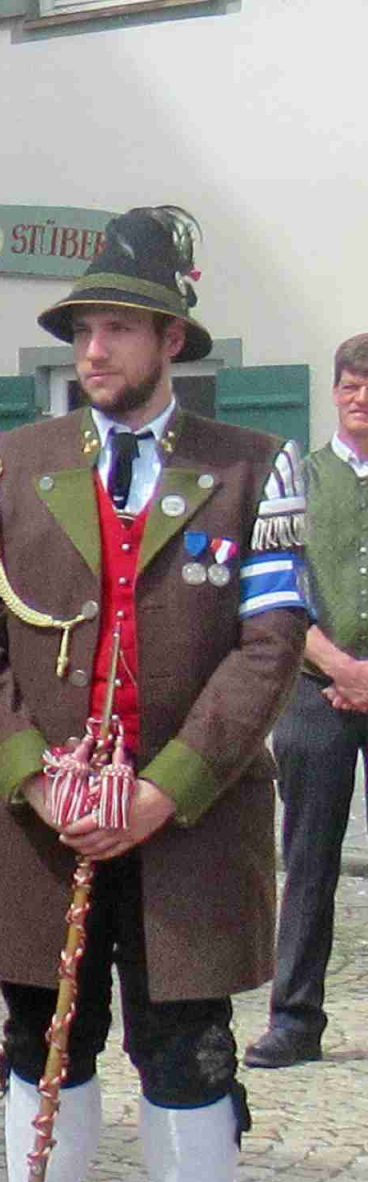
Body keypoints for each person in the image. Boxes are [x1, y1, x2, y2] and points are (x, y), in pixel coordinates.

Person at [0, 207, 308, 1182]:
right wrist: (34, 777)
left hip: (189, 824)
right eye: (81, 331)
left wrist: (163, 791)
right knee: (39, 1044)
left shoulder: (253, 468)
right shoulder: (8, 465)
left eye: (115, 330)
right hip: (34, 825)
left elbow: (268, 647)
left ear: (169, 339)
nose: (91, 351)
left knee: (190, 1051)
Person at [246, 333, 368, 1069]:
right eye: (350, 385)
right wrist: (340, 667)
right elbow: (280, 587)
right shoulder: (299, 480)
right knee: (309, 861)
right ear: (335, 393)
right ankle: (295, 1020)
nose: (361, 398)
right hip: (314, 691)